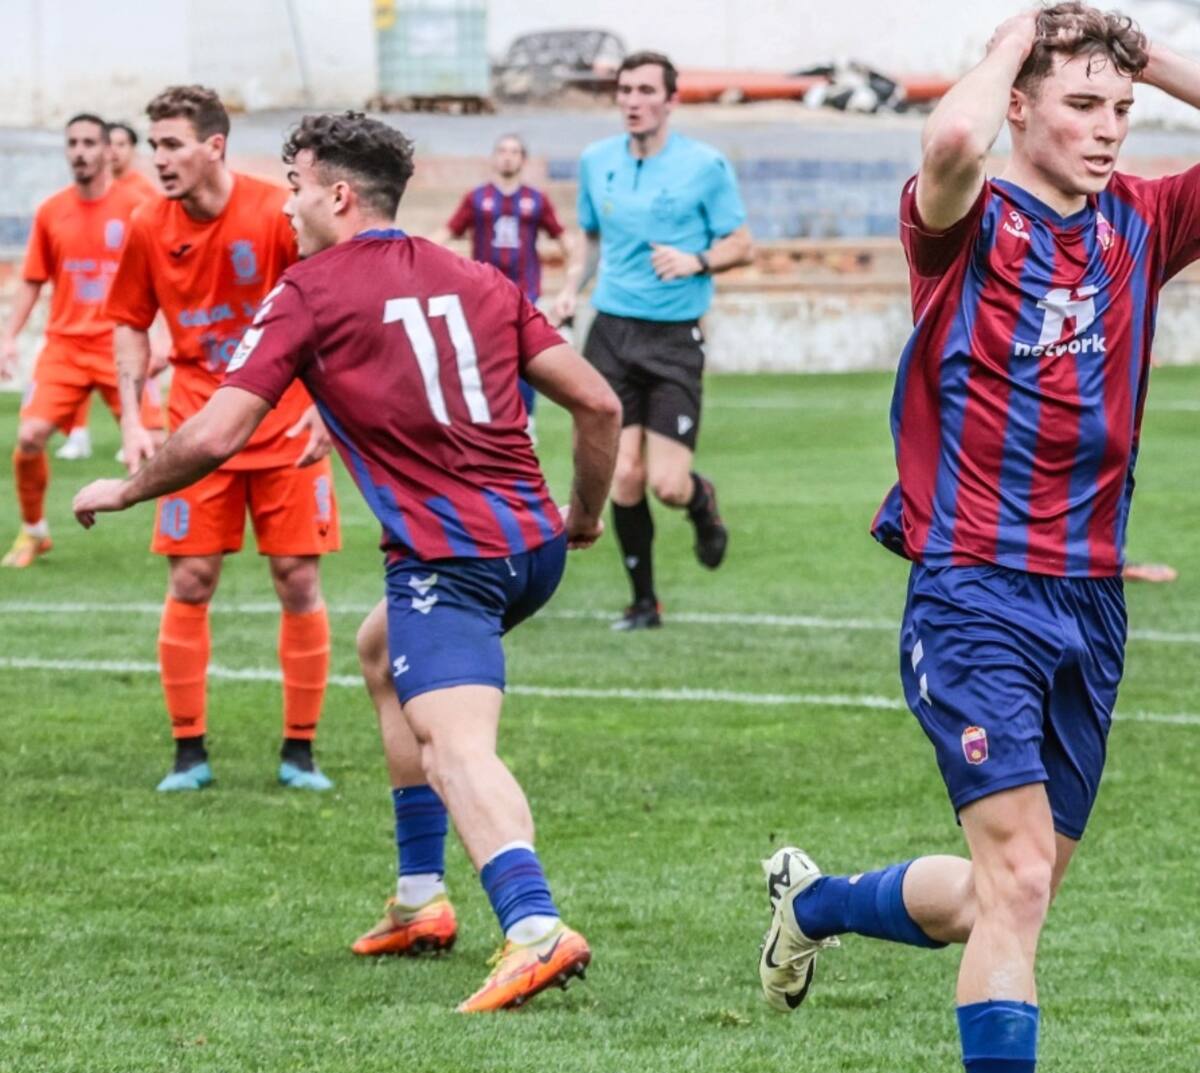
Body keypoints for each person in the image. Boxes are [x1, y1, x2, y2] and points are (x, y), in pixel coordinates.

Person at [758, 7, 1200, 1073]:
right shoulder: (967, 222)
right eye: (1083, 106)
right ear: (1020, 104)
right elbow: (952, 139)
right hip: (972, 588)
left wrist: (1139, 55)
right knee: (1014, 886)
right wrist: (1017, 37)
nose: (1111, 131)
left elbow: (1125, 113)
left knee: (1012, 890)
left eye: (1122, 111)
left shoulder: (1142, 222)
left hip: (1091, 600)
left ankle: (821, 903)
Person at [74, 110, 623, 1013]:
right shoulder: (479, 276)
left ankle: (533, 927)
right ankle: (418, 900)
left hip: (449, 559)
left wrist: (125, 489)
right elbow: (596, 404)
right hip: (533, 547)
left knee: (455, 745)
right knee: (380, 653)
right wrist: (585, 516)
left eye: (294, 186)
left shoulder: (310, 290)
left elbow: (217, 428)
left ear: (336, 193)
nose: (285, 208)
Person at [104, 85, 341, 793]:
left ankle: (299, 751)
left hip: (286, 425)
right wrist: (130, 418)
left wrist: (329, 407)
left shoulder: (276, 212)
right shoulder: (149, 225)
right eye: (155, 146)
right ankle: (188, 752)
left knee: (297, 579)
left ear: (214, 147)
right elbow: (127, 320)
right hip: (196, 431)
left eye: (172, 144)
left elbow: (331, 308)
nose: (160, 158)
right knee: (191, 579)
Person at [557, 50, 753, 631]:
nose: (633, 101)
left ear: (671, 100)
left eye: (645, 91)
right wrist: (571, 287)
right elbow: (590, 240)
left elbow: (742, 244)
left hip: (672, 339)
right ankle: (644, 603)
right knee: (623, 475)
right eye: (624, 90)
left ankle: (700, 502)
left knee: (666, 485)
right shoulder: (596, 162)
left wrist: (696, 260)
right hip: (611, 332)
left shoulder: (705, 166)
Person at [0, 113, 158, 564]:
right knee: (29, 436)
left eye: (90, 142)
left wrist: (163, 335)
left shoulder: (138, 203)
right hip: (65, 348)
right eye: (73, 143)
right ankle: (34, 532)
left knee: (161, 443)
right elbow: (32, 279)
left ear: (109, 151)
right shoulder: (52, 210)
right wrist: (8, 337)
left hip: (121, 346)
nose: (81, 151)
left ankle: (185, 534)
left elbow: (161, 270)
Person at [433, 133, 579, 427]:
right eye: (502, 150)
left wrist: (573, 279)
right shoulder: (477, 198)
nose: (507, 156)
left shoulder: (536, 200)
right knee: (483, 356)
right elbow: (446, 233)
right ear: (494, 157)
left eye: (514, 151)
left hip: (524, 294)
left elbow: (566, 241)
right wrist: (413, 250)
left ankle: (528, 421)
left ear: (523, 160)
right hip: (483, 293)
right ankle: (486, 418)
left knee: (523, 358)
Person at [57, 120, 167, 463]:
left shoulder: (142, 194)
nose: (116, 151)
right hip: (87, 306)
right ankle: (77, 433)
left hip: (130, 303)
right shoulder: (84, 194)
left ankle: (139, 428)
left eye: (123, 144)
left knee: (136, 367)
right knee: (71, 366)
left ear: (132, 150)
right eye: (113, 143)